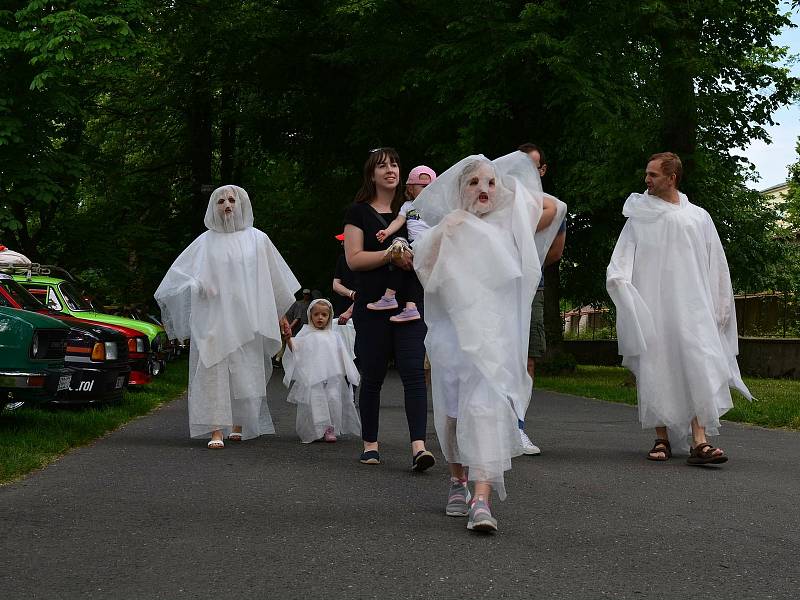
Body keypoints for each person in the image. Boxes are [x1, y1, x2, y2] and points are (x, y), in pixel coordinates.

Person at [412, 153, 544, 532]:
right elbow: (428, 276)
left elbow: (548, 207)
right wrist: (448, 234)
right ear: (459, 190)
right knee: (454, 415)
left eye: (490, 182)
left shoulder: (509, 228)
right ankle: (458, 479)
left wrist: (517, 188)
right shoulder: (448, 226)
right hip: (454, 337)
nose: (483, 189)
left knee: (485, 411)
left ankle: (482, 499)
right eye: (473, 183)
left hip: (494, 335)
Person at [606, 152, 752, 464]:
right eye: (647, 174)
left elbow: (716, 265)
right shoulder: (639, 217)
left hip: (693, 307)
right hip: (654, 306)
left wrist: (721, 305)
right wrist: (618, 280)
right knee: (656, 365)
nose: (647, 180)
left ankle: (700, 440)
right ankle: (661, 439)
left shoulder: (698, 217)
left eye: (654, 175)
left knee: (697, 364)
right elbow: (622, 258)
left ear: (671, 178)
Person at [154, 185, 299, 449]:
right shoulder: (205, 242)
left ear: (242, 204)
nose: (227, 205)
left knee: (244, 369)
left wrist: (280, 316)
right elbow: (179, 277)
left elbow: (274, 280)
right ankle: (215, 430)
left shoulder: (258, 239)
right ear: (213, 207)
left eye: (232, 199)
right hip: (214, 318)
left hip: (247, 318)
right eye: (220, 200)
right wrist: (200, 284)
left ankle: (238, 425)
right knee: (213, 371)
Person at [343, 147, 435, 471]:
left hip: (410, 304)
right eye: (382, 166)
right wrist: (388, 255)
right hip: (372, 306)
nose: (390, 170)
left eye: (395, 164)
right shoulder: (358, 213)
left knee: (413, 372)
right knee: (373, 376)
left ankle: (419, 448)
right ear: (372, 174)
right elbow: (353, 259)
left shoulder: (413, 210)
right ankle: (370, 444)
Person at [514, 143, 568, 455]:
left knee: (528, 357)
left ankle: (518, 426)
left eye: (532, 166)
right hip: (499, 286)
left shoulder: (554, 207)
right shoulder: (502, 200)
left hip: (532, 286)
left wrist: (527, 264)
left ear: (542, 169)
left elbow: (556, 252)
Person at [282, 299, 361, 443]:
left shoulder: (335, 335)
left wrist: (350, 373)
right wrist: (288, 339)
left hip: (332, 378)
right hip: (313, 377)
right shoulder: (305, 334)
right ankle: (317, 429)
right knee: (316, 402)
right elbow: (296, 349)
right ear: (310, 316)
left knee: (333, 400)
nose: (320, 317)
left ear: (329, 317)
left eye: (324, 315)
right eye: (316, 314)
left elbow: (343, 354)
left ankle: (330, 429)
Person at [367, 165, 437, 323]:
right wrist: (387, 231)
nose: (427, 190)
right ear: (411, 189)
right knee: (405, 266)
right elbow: (399, 221)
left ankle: (390, 297)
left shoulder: (436, 207)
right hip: (414, 243)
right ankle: (409, 307)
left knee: (411, 270)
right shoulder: (408, 206)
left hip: (429, 242)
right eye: (422, 186)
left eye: (430, 187)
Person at [331, 232, 357, 357]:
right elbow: (335, 285)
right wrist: (351, 294)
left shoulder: (364, 260)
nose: (342, 243)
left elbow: (369, 291)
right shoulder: (342, 258)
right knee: (340, 351)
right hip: (341, 311)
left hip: (357, 312)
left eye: (344, 240)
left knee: (356, 351)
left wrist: (350, 311)